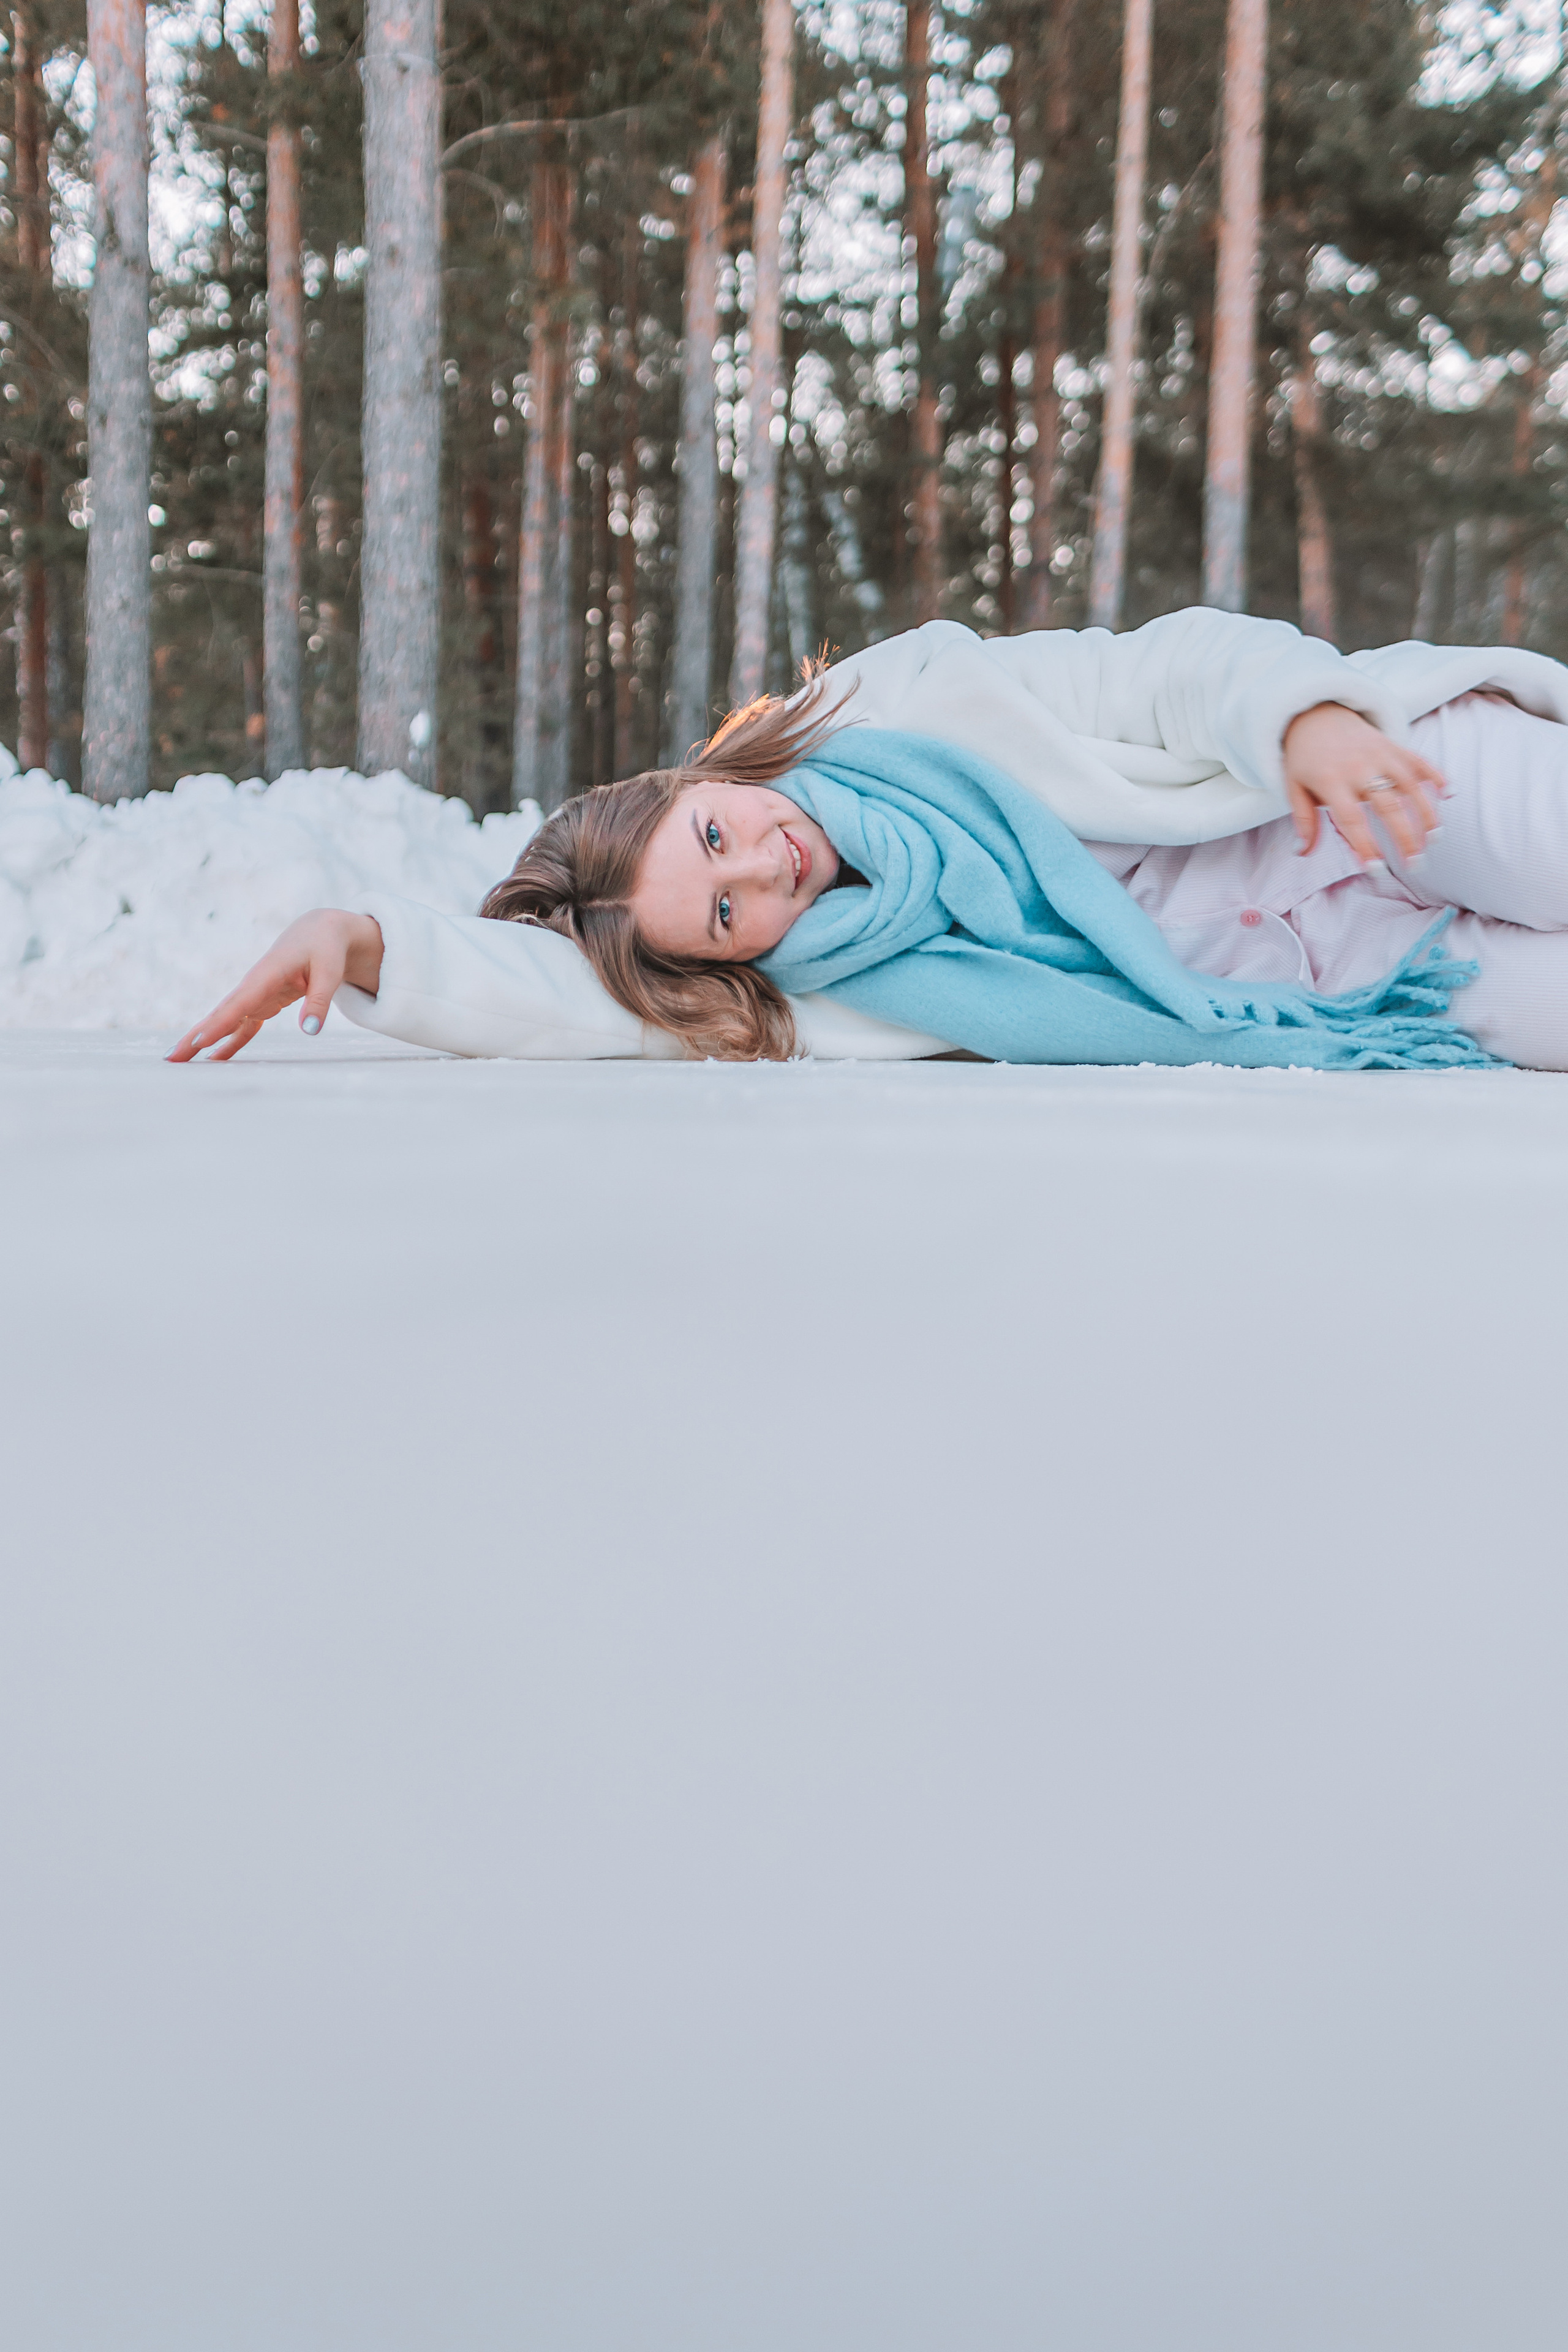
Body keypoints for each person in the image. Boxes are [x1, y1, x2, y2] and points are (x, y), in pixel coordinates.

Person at [169, 605, 1568, 1071]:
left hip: (1364, 787)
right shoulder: (829, 983)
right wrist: (361, 943)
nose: (758, 866)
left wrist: (1301, 717)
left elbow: (1163, 667)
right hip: (1357, 971)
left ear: (698, 773)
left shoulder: (904, 702)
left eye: (714, 831)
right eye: (723, 910)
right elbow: (572, 999)